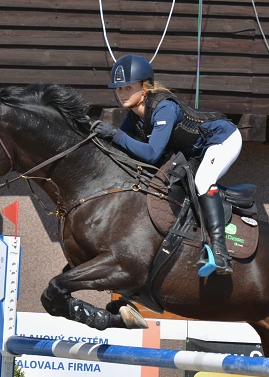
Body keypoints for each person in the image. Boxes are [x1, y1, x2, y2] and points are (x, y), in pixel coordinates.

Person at [93, 54, 243, 276]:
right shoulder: (134, 116)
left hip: (223, 139)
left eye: (128, 87)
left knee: (203, 181)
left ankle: (221, 254)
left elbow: (152, 154)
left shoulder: (164, 108)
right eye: (119, 88)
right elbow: (123, 147)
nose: (122, 93)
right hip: (197, 151)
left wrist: (114, 134)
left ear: (144, 87)